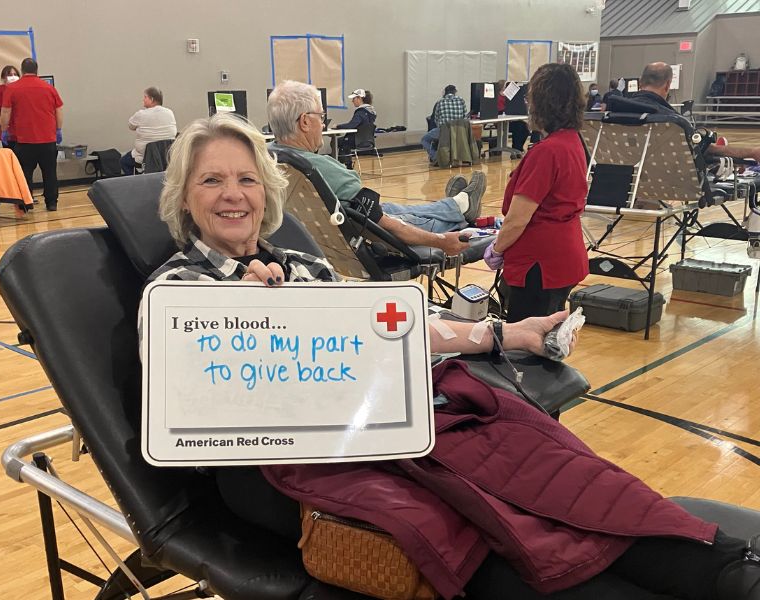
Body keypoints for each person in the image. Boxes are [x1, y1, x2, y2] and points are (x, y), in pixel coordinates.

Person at [144, 117, 760, 600]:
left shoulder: (308, 268)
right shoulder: (174, 292)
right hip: (301, 465)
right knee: (479, 531)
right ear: (185, 197)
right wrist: (243, 324)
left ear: (266, 191)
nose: (233, 195)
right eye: (212, 180)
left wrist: (507, 335)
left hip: (396, 423)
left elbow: (400, 329)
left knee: (566, 483)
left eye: (246, 178)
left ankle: (732, 569)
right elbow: (182, 390)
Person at [267, 80, 485, 256]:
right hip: (366, 233)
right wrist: (440, 241)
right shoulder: (317, 168)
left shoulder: (267, 158)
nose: (323, 124)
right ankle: (458, 210)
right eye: (321, 116)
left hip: (330, 231)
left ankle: (455, 204)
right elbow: (386, 224)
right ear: (305, 122)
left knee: (400, 208)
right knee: (403, 215)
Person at [484, 63, 589, 323]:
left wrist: (497, 249)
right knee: (548, 338)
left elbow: (519, 218)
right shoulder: (573, 141)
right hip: (564, 258)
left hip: (539, 266)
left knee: (525, 345)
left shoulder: (546, 152)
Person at [613, 62, 760, 163]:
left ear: (640, 82)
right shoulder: (672, 120)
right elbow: (707, 150)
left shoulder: (614, 113)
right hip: (667, 177)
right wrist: (752, 152)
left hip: (620, 176)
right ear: (668, 85)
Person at [1, 58, 63, 211]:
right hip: (47, 139)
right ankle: (51, 203)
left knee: (25, 172)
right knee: (49, 172)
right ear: (37, 70)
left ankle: (26, 203)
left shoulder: (13, 89)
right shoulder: (49, 88)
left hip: (25, 140)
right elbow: (58, 110)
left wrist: (4, 129)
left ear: (22, 71)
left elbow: (6, 111)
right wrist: (58, 129)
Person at [121, 86, 177, 175]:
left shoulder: (141, 114)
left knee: (124, 161)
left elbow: (131, 126)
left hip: (145, 156)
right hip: (166, 156)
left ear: (151, 99)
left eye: (145, 97)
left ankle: (135, 184)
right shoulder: (170, 112)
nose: (143, 100)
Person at [421, 84, 467, 164]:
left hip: (444, 131)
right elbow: (464, 118)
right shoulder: (461, 100)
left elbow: (436, 119)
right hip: (458, 131)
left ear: (444, 93)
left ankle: (436, 157)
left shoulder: (440, 102)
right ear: (455, 92)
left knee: (424, 140)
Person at [333, 88, 377, 169]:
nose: (352, 101)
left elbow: (351, 125)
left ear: (359, 98)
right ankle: (347, 164)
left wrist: (338, 126)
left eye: (354, 98)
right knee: (345, 141)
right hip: (368, 141)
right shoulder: (372, 112)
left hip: (357, 140)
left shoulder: (360, 112)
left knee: (337, 141)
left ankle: (343, 166)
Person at [0, 65, 20, 150]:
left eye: (15, 74)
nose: (13, 77)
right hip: (8, 132)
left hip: (23, 132)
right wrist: (3, 125)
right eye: (10, 75)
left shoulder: (21, 89)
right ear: (3, 78)